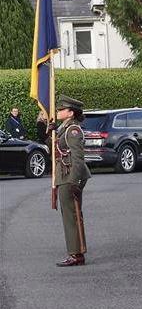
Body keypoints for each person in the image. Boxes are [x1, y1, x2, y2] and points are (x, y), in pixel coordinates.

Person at [51, 96, 92, 267]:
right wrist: (50, 131)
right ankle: (74, 252)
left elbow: (78, 158)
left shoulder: (73, 130)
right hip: (64, 175)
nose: (58, 112)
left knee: (71, 215)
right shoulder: (64, 129)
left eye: (61, 109)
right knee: (68, 215)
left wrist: (75, 181)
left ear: (70, 112)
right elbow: (56, 150)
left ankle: (76, 254)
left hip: (70, 177)